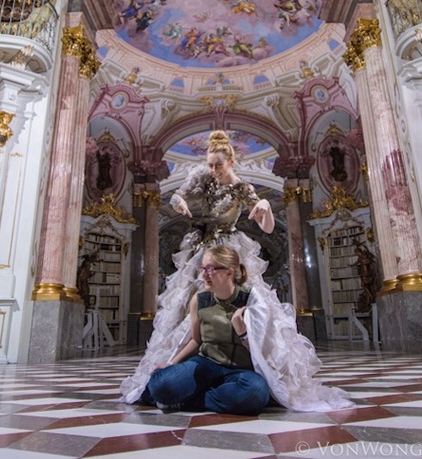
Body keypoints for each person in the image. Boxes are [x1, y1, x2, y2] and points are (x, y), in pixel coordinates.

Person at [121, 130, 353, 412]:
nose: (213, 170)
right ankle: (181, 372)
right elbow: (177, 196)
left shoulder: (243, 188)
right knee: (185, 303)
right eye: (210, 164)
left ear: (231, 161)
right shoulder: (202, 179)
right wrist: (179, 202)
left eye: (218, 164)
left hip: (228, 249)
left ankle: (236, 373)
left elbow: (266, 226)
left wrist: (265, 206)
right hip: (200, 248)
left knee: (246, 301)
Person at [140, 245, 270, 414]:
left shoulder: (251, 299)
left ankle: (186, 401)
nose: (203, 274)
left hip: (241, 369)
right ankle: (207, 397)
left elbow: (263, 350)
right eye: (202, 268)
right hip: (206, 363)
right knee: (161, 384)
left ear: (229, 272)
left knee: (255, 394)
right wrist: (172, 363)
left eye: (210, 269)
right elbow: (196, 340)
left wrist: (243, 332)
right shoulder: (199, 299)